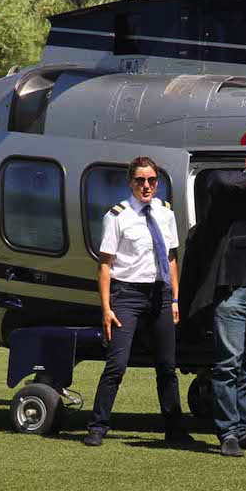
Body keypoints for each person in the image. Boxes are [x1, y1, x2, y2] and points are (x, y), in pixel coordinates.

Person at [180, 140, 246, 457]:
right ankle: (227, 434)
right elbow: (215, 180)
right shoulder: (233, 188)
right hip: (232, 291)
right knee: (228, 364)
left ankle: (241, 428)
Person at [84, 156, 189, 447]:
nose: (146, 186)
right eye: (140, 180)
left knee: (167, 366)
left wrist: (175, 299)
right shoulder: (117, 215)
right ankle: (97, 426)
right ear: (130, 182)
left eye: (152, 180)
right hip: (127, 294)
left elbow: (171, 258)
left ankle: (175, 429)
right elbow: (105, 265)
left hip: (160, 294)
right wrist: (106, 308)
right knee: (117, 364)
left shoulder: (165, 212)